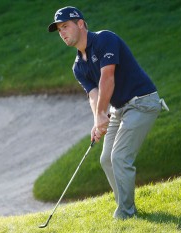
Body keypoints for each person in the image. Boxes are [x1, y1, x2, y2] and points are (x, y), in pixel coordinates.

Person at [47, 6, 168, 220]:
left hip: (142, 103)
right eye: (59, 30)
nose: (62, 33)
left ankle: (125, 215)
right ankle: (127, 207)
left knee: (120, 157)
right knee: (106, 159)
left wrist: (103, 113)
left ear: (81, 24)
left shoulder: (105, 39)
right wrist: (97, 120)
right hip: (120, 109)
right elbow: (94, 95)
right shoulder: (78, 67)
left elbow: (107, 78)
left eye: (65, 26)